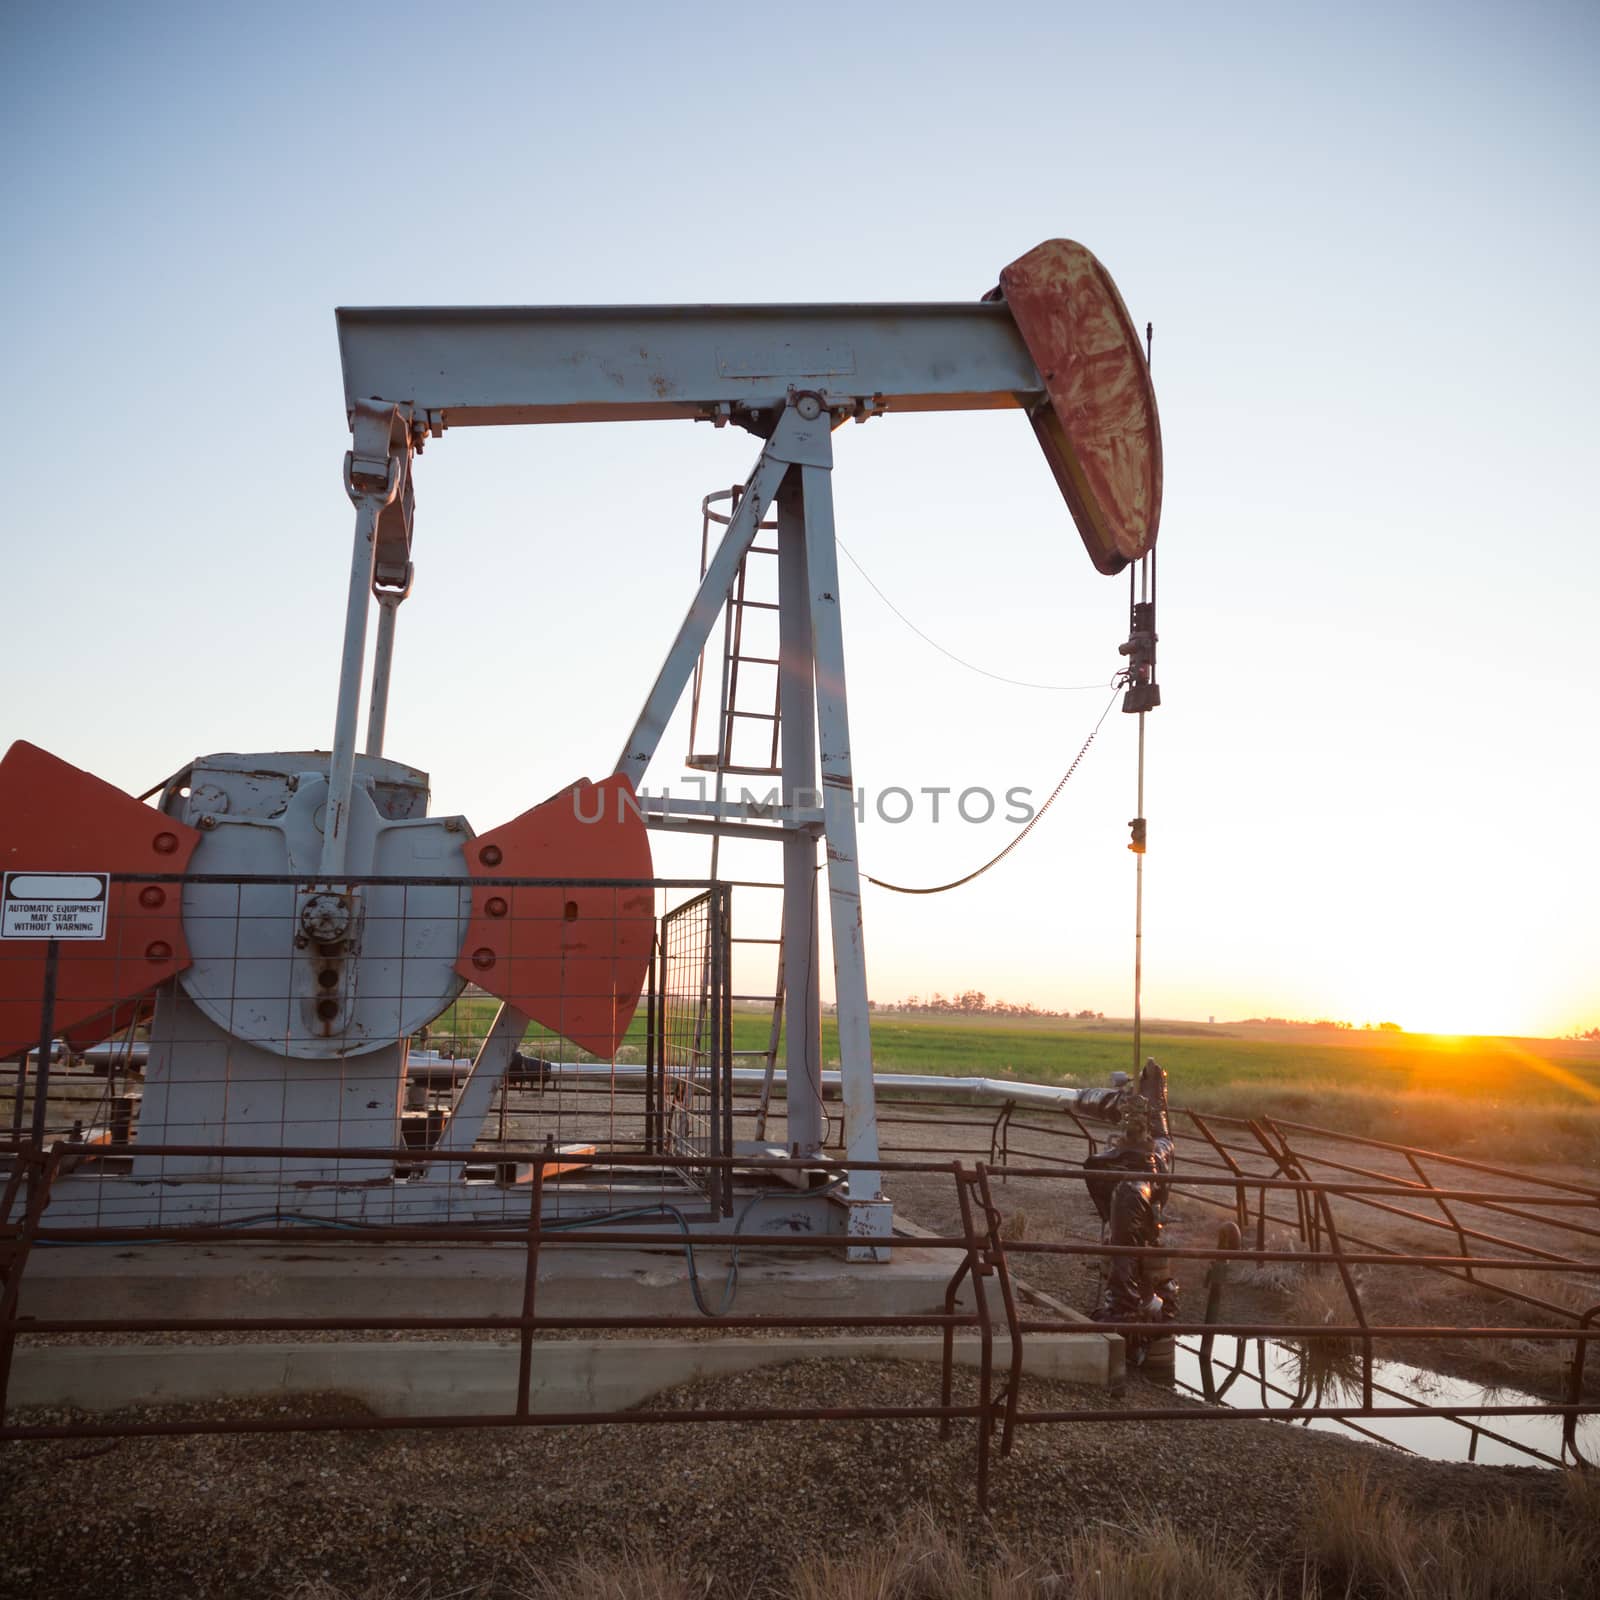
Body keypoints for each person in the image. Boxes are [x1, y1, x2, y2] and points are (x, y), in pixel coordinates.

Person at [1082, 1058, 1179, 1363]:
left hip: (1132, 1264)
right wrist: (1156, 1087)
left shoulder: (1120, 1177)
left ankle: (1128, 1309)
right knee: (1131, 1251)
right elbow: (1164, 1139)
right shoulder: (1147, 1167)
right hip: (1140, 1252)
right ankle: (1139, 1309)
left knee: (1126, 1251)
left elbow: (1162, 1140)